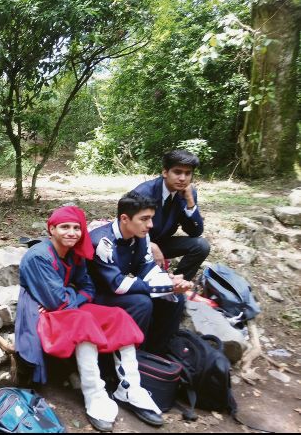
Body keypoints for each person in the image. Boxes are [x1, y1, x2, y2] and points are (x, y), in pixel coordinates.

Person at [15, 206, 163, 432]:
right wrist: (72, 295)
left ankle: (129, 388)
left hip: (66, 308)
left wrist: (71, 294)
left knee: (118, 316)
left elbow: (87, 287)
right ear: (51, 229)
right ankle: (94, 394)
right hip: (42, 314)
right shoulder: (39, 256)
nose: (72, 233)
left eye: (76, 228)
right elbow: (57, 302)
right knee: (83, 321)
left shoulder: (74, 253)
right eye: (65, 227)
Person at [89, 191, 193, 356]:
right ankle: (131, 355)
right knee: (141, 302)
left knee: (176, 299)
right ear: (124, 218)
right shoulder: (102, 242)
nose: (150, 224)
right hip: (97, 294)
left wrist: (170, 282)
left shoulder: (141, 235)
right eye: (144, 219)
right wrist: (166, 286)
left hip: (116, 289)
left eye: (151, 218)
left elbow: (147, 268)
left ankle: (157, 353)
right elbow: (117, 285)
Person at [133, 149, 209, 281]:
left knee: (201, 245)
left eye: (188, 173)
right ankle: (162, 282)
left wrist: (190, 202)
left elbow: (195, 231)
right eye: (177, 172)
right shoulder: (143, 192)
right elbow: (127, 227)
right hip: (136, 244)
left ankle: (180, 283)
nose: (182, 178)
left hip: (162, 242)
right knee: (157, 284)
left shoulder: (188, 193)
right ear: (165, 172)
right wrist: (149, 244)